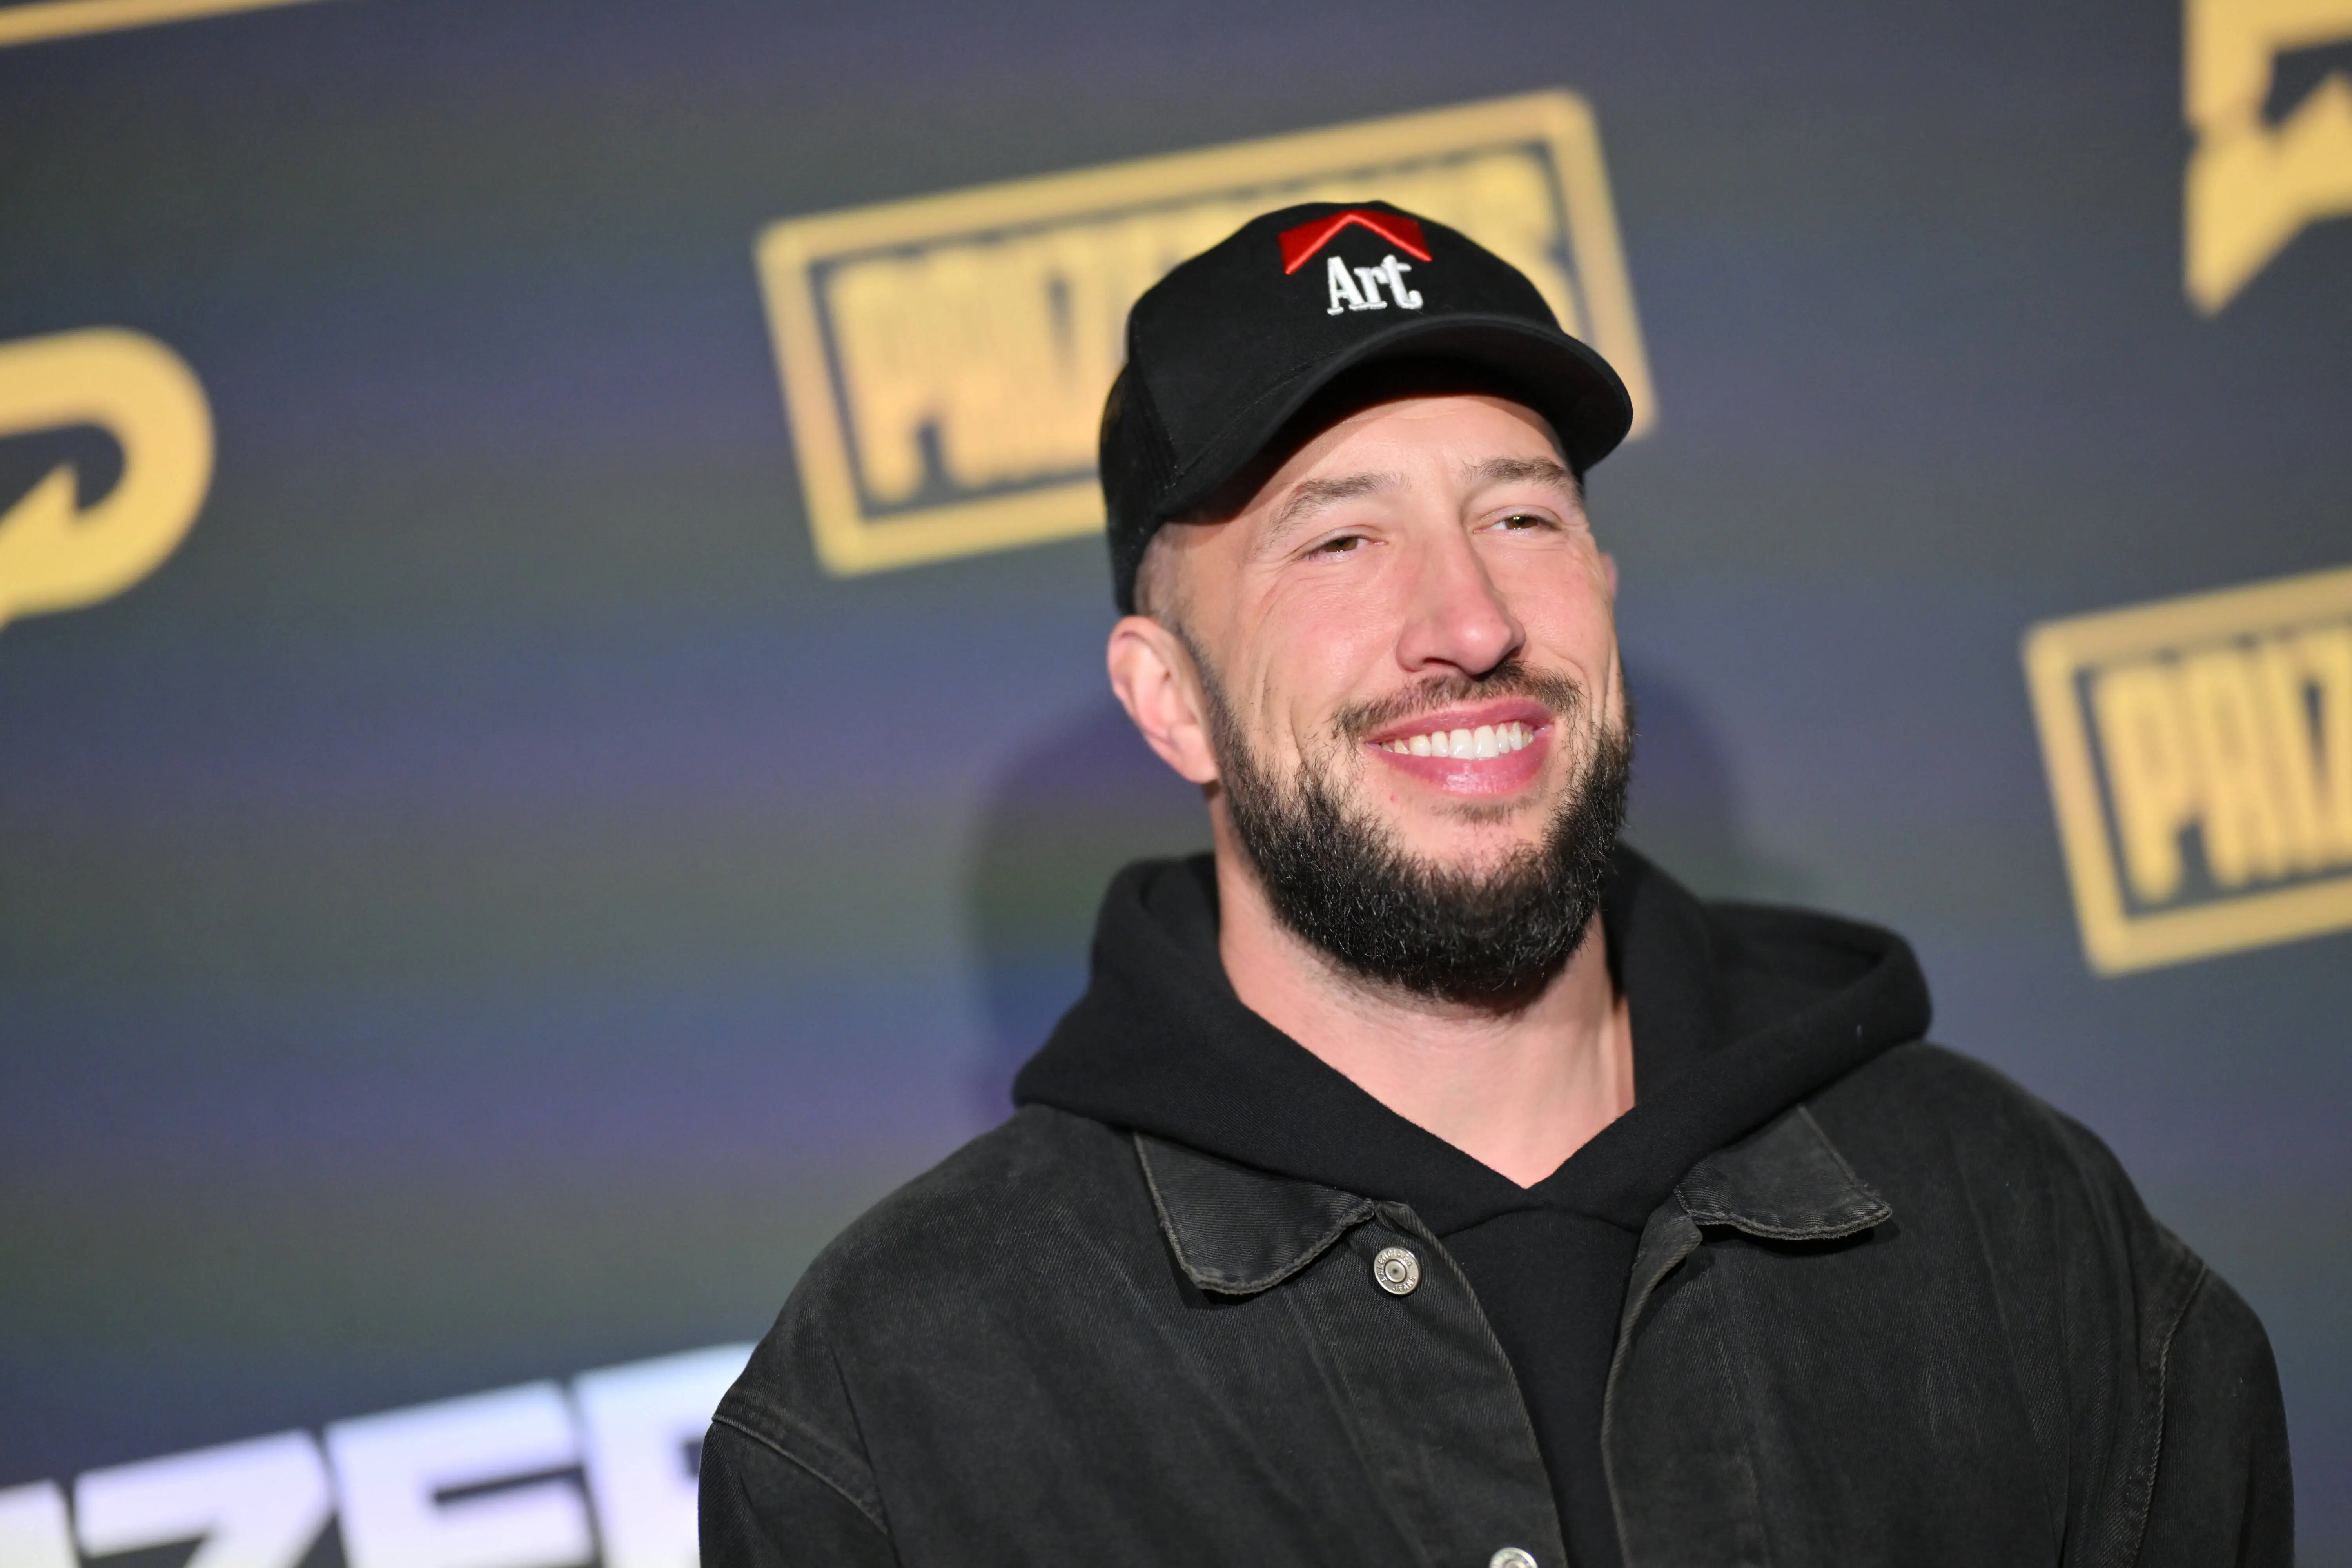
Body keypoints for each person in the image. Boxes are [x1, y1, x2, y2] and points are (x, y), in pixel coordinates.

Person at [699, 201, 2292, 1566]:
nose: (1467, 620)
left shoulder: (2011, 1224)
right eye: (1340, 542)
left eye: (1518, 514)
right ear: (1169, 697)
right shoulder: (904, 1403)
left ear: (1600, 588)